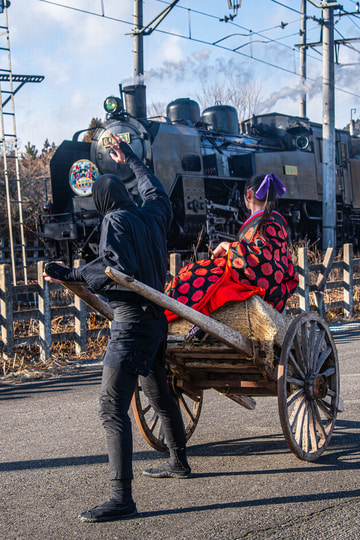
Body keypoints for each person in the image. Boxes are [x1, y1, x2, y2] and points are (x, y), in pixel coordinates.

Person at [44, 133, 191, 524]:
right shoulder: (152, 214)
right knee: (158, 393)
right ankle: (179, 461)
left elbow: (115, 268)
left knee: (112, 407)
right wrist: (130, 159)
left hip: (131, 324)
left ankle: (120, 497)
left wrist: (69, 272)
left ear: (103, 204)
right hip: (157, 320)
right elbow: (155, 190)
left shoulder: (114, 219)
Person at [164, 173, 298, 323]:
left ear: (248, 195)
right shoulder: (272, 222)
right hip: (262, 283)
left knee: (194, 275)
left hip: (262, 287)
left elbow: (262, 260)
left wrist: (229, 247)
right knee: (195, 273)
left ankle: (170, 311)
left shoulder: (267, 223)